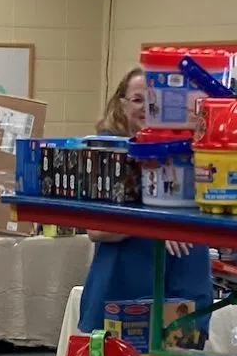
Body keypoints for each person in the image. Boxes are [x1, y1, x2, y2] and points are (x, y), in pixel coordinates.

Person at [79, 66, 212, 334]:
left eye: (155, 100)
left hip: (184, 281)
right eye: (138, 99)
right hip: (123, 284)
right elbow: (97, 230)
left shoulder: (197, 151)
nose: (148, 108)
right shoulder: (107, 152)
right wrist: (157, 223)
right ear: (122, 104)